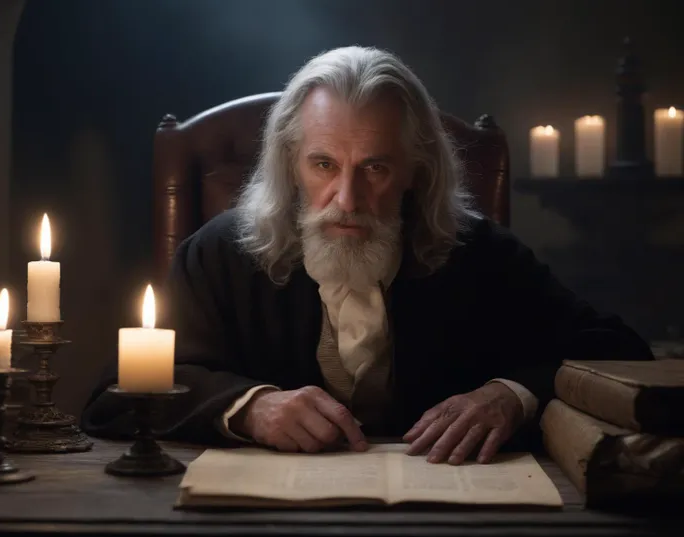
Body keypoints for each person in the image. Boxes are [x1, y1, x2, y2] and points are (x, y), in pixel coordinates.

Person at [80, 46, 653, 465]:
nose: (348, 200)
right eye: (324, 165)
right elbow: (112, 400)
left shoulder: (481, 254)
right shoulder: (218, 253)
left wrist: (511, 395)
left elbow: (622, 352)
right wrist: (249, 408)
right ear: (291, 163)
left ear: (414, 170)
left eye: (375, 167)